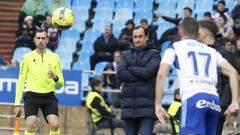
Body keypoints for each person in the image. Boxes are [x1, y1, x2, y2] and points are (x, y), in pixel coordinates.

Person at [155, 17, 239, 135]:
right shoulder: (212, 51)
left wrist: (158, 104)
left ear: (180, 31)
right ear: (197, 32)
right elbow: (233, 72)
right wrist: (235, 102)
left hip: (193, 97)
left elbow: (161, 74)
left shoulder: (176, 47)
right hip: (214, 100)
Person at [14, 30, 64, 135]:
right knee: (30, 124)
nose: (40, 40)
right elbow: (21, 81)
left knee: (55, 124)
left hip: (49, 96)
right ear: (34, 40)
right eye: (38, 38)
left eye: (43, 38)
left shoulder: (55, 57)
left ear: (47, 40)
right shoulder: (27, 57)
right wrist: (17, 104)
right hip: (32, 96)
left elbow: (61, 83)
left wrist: (55, 77)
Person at [198, 20, 240, 135]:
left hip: (218, 103)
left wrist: (224, 104)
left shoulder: (224, 53)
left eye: (198, 31)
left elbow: (234, 76)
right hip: (203, 102)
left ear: (204, 33)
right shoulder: (201, 52)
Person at [117, 26, 160, 135]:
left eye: (140, 36)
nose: (137, 39)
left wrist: (131, 68)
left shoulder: (154, 54)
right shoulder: (126, 54)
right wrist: (140, 73)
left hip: (147, 108)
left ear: (146, 37)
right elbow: (121, 73)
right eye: (135, 37)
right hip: (129, 107)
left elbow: (148, 73)